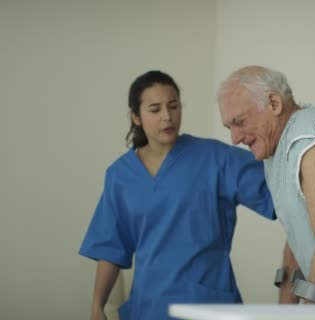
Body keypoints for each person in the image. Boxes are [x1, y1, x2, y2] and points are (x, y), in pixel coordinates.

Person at [79, 71, 275, 320]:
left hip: (209, 305)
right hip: (148, 308)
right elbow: (110, 248)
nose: (167, 117)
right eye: (155, 109)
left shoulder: (216, 159)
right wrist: (97, 307)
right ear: (136, 117)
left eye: (173, 106)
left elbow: (283, 192)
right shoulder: (120, 176)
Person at [217, 66, 315, 304]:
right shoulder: (276, 148)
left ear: (274, 103)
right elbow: (298, 235)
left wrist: (309, 312)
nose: (234, 138)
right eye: (229, 127)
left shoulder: (310, 141)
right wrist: (286, 309)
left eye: (239, 122)